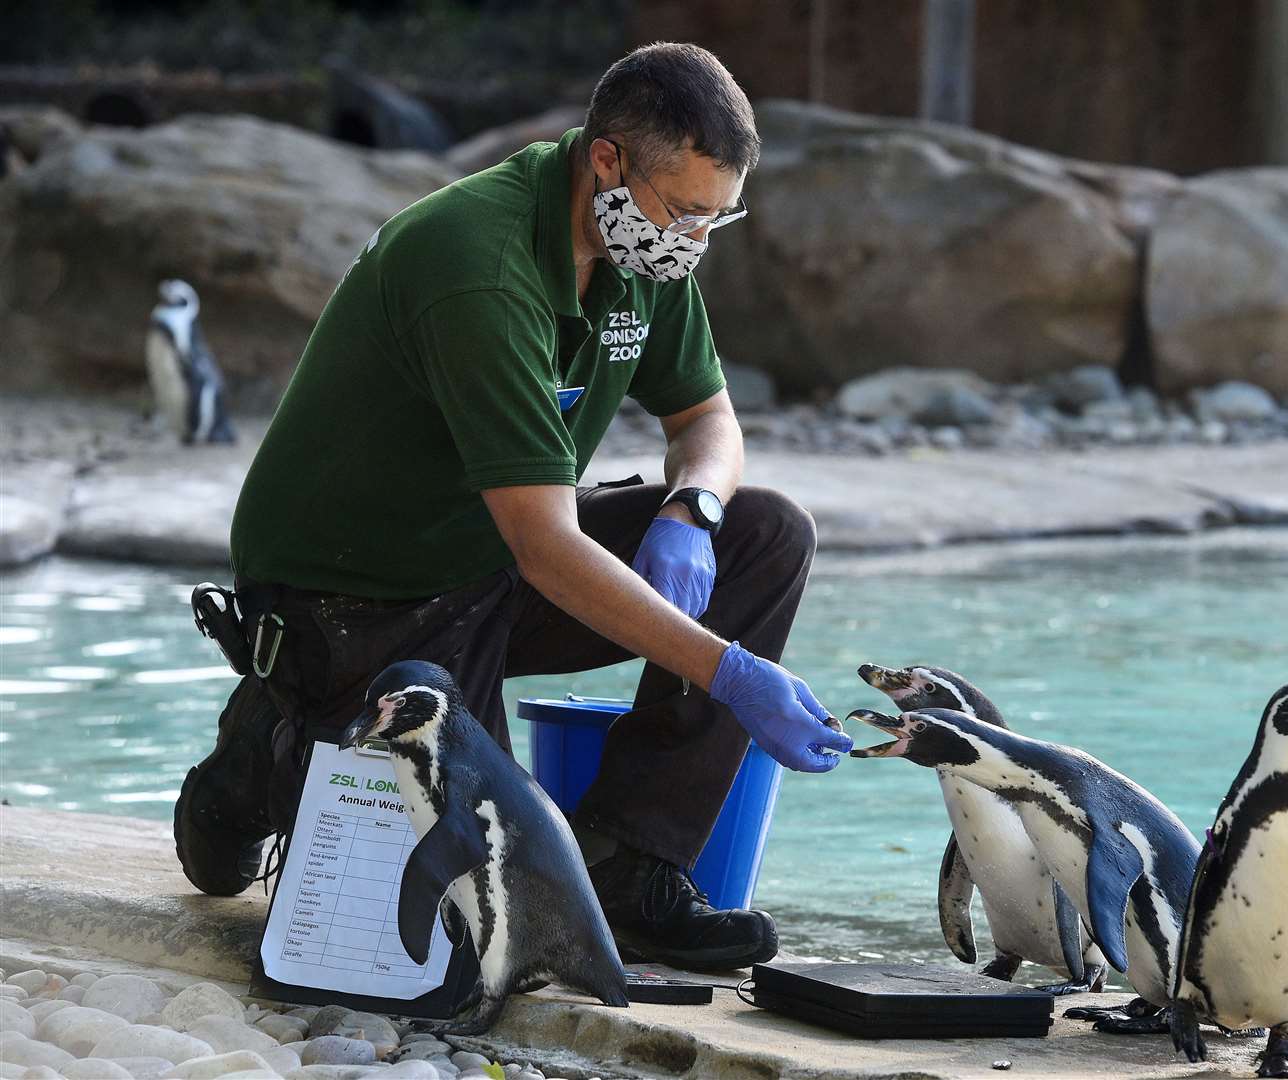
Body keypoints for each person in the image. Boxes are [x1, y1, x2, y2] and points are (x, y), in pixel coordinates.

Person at [173, 42, 854, 972]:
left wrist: (692, 510)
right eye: (685, 213)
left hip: (493, 559)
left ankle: (635, 867)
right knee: (463, 937)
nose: (694, 242)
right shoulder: (481, 263)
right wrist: (730, 674)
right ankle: (261, 751)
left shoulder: (641, 251)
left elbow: (708, 417)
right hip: (361, 593)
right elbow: (546, 549)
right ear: (606, 160)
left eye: (715, 218)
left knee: (767, 534)